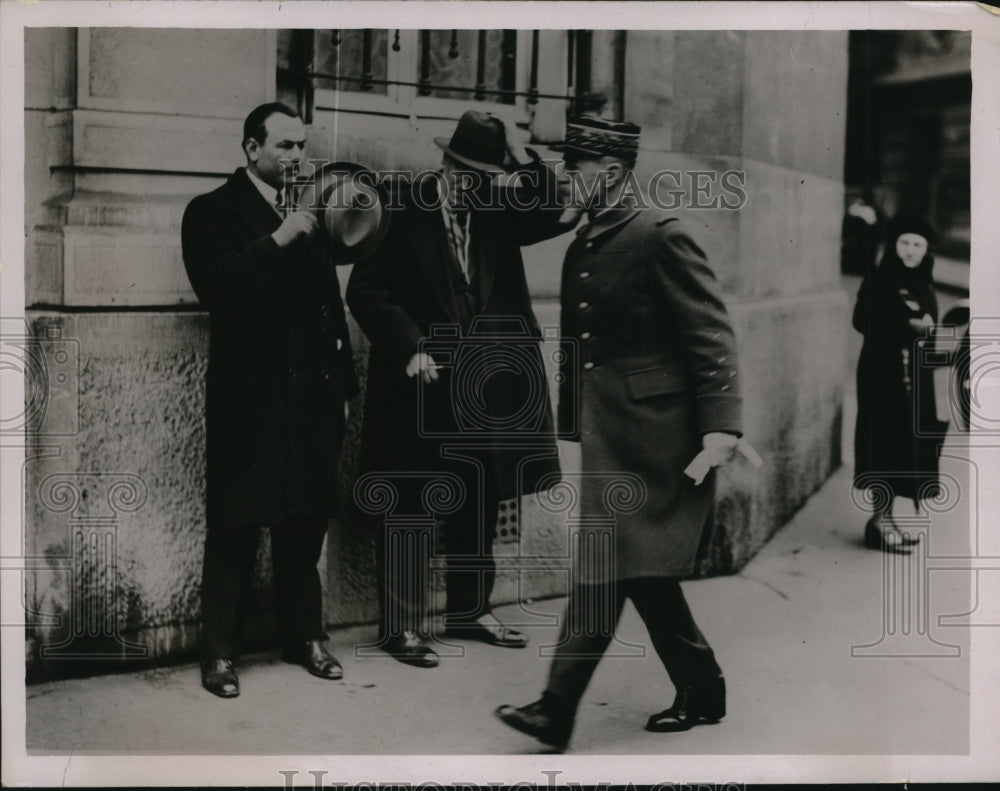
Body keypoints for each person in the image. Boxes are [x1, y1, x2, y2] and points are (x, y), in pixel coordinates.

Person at [495, 115, 744, 751]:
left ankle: (557, 709)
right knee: (640, 570)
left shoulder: (661, 234)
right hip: (617, 431)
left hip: (660, 436)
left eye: (573, 167)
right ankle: (702, 683)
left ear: (607, 172)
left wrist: (722, 427)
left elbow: (710, 334)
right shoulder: (597, 227)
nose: (564, 178)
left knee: (609, 563)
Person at [346, 110, 574, 668]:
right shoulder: (399, 205)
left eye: (486, 176)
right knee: (409, 504)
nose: (476, 185)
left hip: (486, 390)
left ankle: (469, 611)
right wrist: (413, 345)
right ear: (447, 166)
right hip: (420, 387)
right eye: (468, 173)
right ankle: (401, 628)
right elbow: (366, 291)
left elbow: (556, 211)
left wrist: (523, 159)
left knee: (479, 499)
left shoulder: (498, 208)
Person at [181, 103, 362, 697]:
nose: (296, 157)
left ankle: (305, 636)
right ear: (250, 148)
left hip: (310, 399)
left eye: (301, 146)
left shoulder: (311, 212)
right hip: (249, 402)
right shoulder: (210, 211)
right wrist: (280, 239)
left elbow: (329, 306)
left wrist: (343, 389)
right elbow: (218, 287)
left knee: (305, 522)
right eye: (284, 146)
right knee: (235, 526)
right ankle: (219, 653)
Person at [852, 214, 944, 553]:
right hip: (883, 375)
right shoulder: (882, 277)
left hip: (913, 378)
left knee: (904, 447)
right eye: (904, 242)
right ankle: (878, 521)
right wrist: (910, 325)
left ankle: (887, 520)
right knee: (885, 443)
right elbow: (862, 319)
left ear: (926, 251)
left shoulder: (922, 280)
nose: (909, 250)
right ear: (894, 245)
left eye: (917, 245)